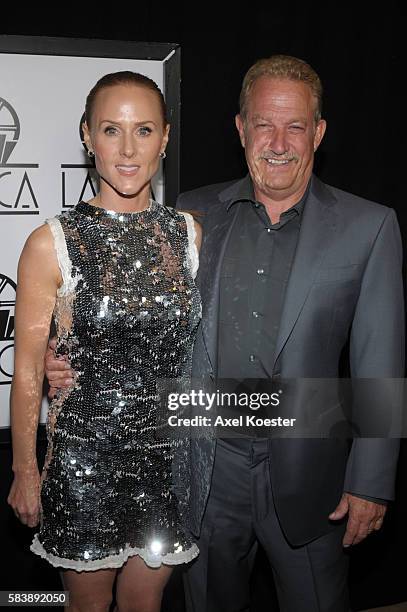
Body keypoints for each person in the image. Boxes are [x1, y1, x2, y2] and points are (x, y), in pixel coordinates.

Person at [45, 56, 405, 612]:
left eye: (296, 126)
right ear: (241, 129)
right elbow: (133, 324)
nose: (279, 142)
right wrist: (67, 363)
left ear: (319, 132)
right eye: (264, 124)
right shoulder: (189, 218)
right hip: (207, 472)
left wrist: (372, 481)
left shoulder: (369, 226)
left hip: (313, 475)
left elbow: (379, 358)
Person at [8, 71, 202, 612]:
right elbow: (27, 373)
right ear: (87, 136)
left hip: (167, 462)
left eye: (143, 131)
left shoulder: (188, 234)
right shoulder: (51, 242)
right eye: (111, 131)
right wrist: (26, 471)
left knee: (146, 606)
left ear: (164, 138)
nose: (127, 149)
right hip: (84, 464)